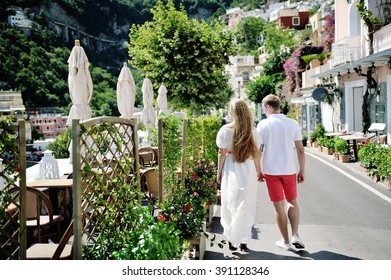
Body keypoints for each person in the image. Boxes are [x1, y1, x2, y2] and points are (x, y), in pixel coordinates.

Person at [256, 94, 305, 251]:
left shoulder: (263, 125)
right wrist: (301, 170)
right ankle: (295, 234)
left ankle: (286, 242)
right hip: (289, 170)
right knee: (292, 201)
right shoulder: (292, 123)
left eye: (264, 108)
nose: (264, 111)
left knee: (279, 207)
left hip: (271, 171)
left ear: (268, 107)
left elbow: (258, 151)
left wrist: (258, 171)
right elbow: (301, 150)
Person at [216, 99, 261, 251]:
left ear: (233, 112)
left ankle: (231, 236)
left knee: (229, 203)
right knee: (246, 205)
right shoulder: (253, 132)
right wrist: (259, 171)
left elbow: (222, 154)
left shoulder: (225, 130)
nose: (228, 111)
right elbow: (256, 154)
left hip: (231, 169)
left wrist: (219, 171)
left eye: (230, 109)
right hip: (248, 170)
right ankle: (242, 239)